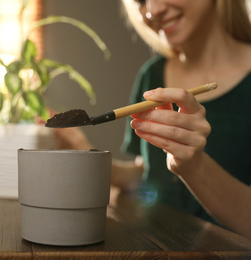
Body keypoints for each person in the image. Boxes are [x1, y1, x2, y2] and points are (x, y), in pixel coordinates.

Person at [54, 0, 251, 239]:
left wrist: (194, 166)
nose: (152, 10)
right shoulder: (153, 74)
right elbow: (148, 174)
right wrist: (87, 152)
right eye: (140, 1)